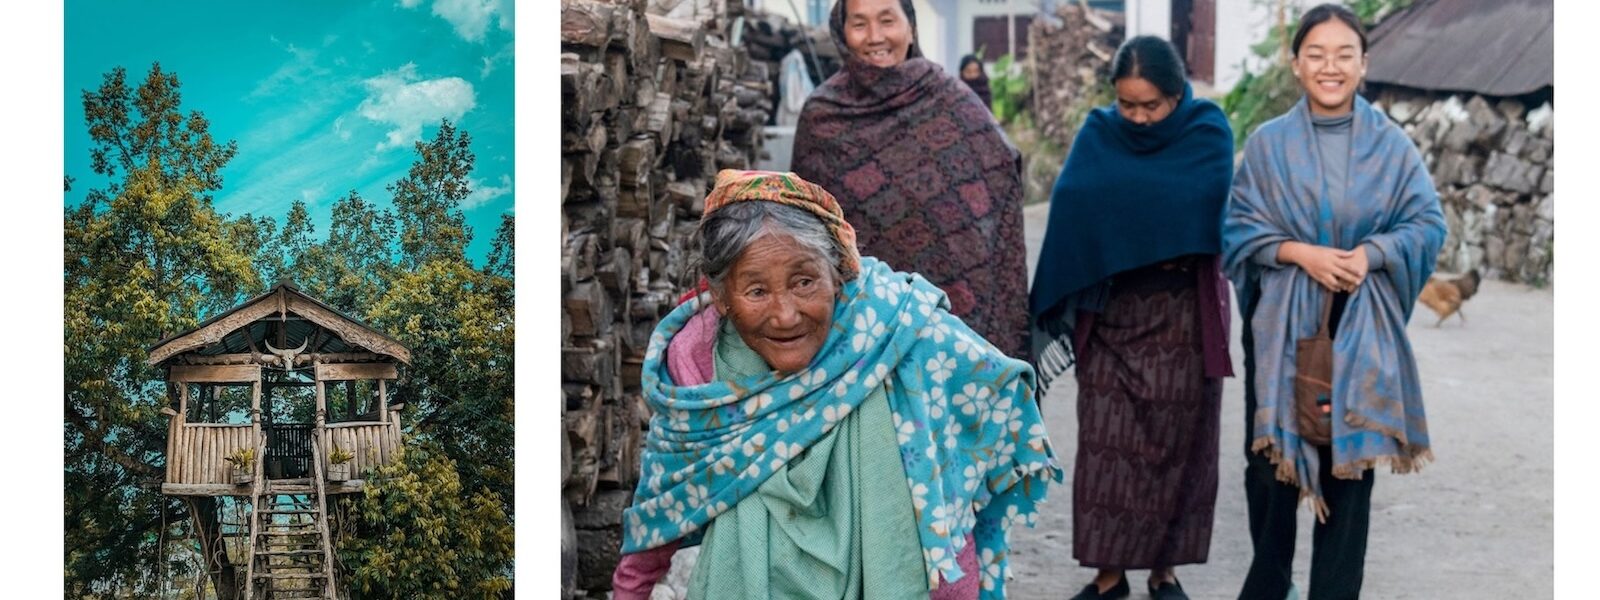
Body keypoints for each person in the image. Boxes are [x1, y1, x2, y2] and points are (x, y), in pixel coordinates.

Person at [610, 169, 1063, 600]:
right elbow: (666, 494)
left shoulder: (898, 333)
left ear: (840, 272)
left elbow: (994, 401)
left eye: (804, 281)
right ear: (723, 296)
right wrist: (630, 589)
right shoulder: (697, 365)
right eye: (757, 291)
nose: (786, 314)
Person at [1221, 5, 1445, 599]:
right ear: (1296, 65)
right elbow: (1238, 230)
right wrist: (1301, 253)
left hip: (1358, 322)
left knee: (1349, 473)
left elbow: (1426, 223)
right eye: (1316, 54)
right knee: (1272, 473)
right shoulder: (1268, 146)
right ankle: (1271, 588)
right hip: (1281, 327)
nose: (1330, 67)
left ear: (1364, 64)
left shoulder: (1393, 148)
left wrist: (1372, 254)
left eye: (1344, 54)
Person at [1029, 36, 1236, 600]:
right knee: (1107, 446)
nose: (1139, 118)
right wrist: (1140, 220)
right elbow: (1074, 202)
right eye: (1128, 105)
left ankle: (1164, 573)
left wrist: (1128, 213)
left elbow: (1206, 199)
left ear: (1177, 95)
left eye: (1152, 106)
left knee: (1178, 448)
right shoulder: (1099, 132)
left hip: (1182, 319)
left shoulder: (1208, 131)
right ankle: (1108, 576)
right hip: (1112, 314)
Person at [792, 0, 1031, 360]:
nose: (875, 37)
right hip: (862, 324)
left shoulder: (951, 100)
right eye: (859, 24)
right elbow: (805, 225)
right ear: (842, 33)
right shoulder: (823, 117)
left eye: (887, 20)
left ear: (911, 28)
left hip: (959, 314)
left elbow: (1001, 170)